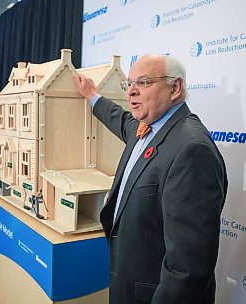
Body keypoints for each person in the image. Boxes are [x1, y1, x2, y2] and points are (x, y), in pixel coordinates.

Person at [73, 54, 227, 304]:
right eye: (130, 84)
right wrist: (92, 96)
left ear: (175, 88)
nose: (131, 92)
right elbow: (119, 120)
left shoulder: (191, 150)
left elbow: (187, 268)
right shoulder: (145, 126)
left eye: (143, 83)